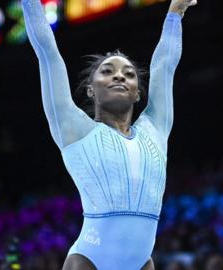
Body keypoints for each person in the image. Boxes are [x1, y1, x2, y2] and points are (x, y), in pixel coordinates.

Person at [22, 0, 196, 269]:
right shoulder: (74, 129)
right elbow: (47, 51)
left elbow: (165, 66)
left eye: (128, 74)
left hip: (141, 263)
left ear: (138, 92)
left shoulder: (155, 129)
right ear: (91, 90)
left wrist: (175, 14)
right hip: (88, 260)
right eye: (107, 71)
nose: (119, 77)